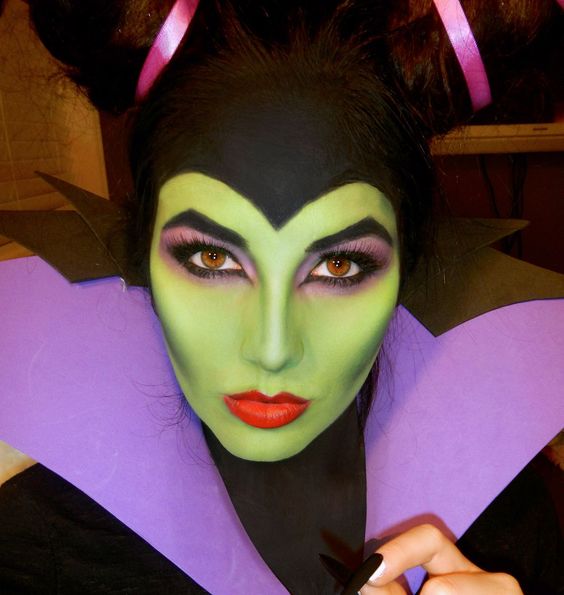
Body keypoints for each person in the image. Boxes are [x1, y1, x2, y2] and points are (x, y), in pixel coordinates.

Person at [0, 0, 563, 593]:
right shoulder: (42, 547)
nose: (272, 350)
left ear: (407, 267)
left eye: (339, 265)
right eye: (212, 259)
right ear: (141, 259)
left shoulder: (498, 537)